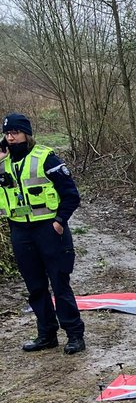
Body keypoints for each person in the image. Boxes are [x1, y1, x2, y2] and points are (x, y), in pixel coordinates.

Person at [0, 112, 85, 354]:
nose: (11, 137)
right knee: (35, 286)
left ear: (26, 133)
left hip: (49, 229)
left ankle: (75, 335)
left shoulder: (45, 157)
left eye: (15, 132)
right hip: (20, 231)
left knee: (60, 283)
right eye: (7, 133)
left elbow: (71, 194)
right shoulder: (3, 162)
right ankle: (46, 334)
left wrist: (59, 221)